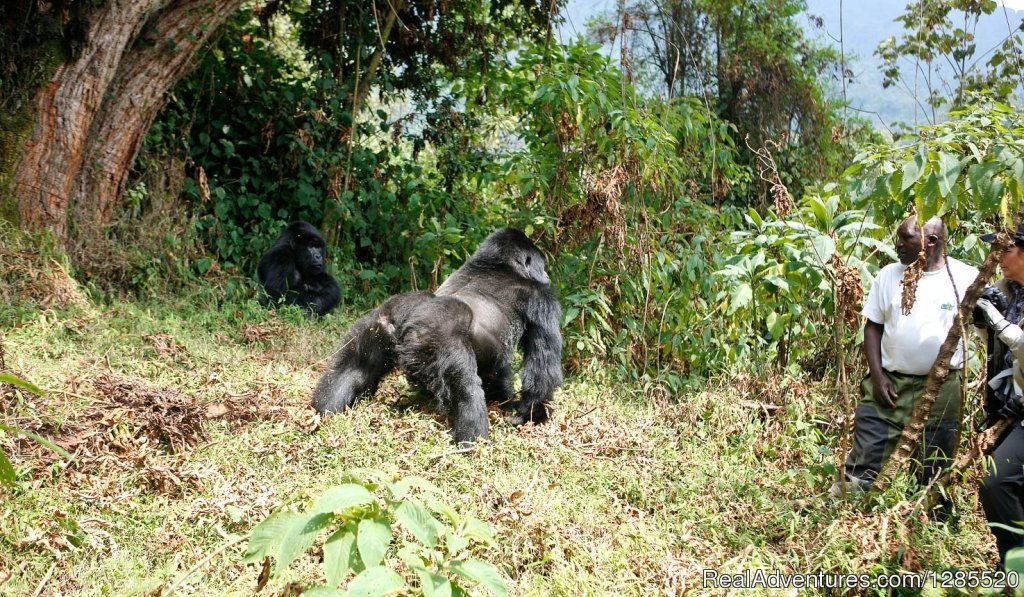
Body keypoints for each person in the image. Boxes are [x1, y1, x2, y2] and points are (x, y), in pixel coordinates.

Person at [834, 215, 979, 495]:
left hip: (942, 388)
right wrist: (877, 377)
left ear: (931, 241)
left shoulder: (964, 278)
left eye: (905, 238)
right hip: (891, 382)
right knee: (868, 449)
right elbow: (873, 327)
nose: (897, 245)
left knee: (933, 462)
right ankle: (850, 507)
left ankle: (927, 518)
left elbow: (987, 326)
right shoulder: (889, 274)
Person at [975, 222, 1024, 568]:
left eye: (1003, 249)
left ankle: (1015, 564)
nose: (996, 256)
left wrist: (994, 319)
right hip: (1010, 405)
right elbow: (1001, 352)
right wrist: (984, 321)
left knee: (997, 483)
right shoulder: (1013, 291)